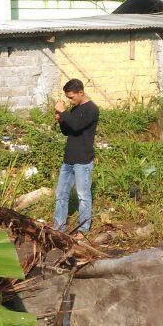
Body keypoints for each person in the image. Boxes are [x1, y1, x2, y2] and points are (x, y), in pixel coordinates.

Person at [53, 79, 99, 233]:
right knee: (61, 194)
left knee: (83, 196)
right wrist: (61, 120)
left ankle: (83, 230)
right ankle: (59, 227)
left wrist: (64, 112)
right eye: (68, 98)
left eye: (71, 97)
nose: (70, 101)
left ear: (81, 92)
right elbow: (68, 130)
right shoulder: (74, 109)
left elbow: (77, 126)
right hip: (69, 159)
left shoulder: (91, 109)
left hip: (83, 161)